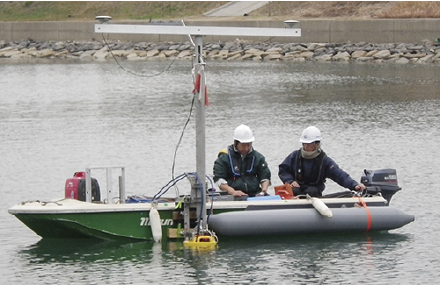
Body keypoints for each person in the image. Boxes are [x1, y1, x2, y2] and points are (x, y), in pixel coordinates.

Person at [278, 126, 366, 198]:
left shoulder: (324, 161)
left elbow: (339, 175)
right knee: (295, 190)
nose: (305, 146)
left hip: (313, 193)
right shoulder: (295, 156)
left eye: (308, 144)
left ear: (317, 144)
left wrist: (354, 185)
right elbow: (283, 169)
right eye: (304, 143)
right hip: (296, 191)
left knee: (311, 191)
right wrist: (290, 181)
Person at [213, 124, 271, 197]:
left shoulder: (258, 157)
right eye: (243, 145)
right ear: (235, 143)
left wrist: (264, 189)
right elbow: (219, 179)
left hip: (254, 194)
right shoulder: (224, 158)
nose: (246, 148)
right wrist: (233, 191)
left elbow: (265, 175)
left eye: (249, 145)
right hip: (232, 195)